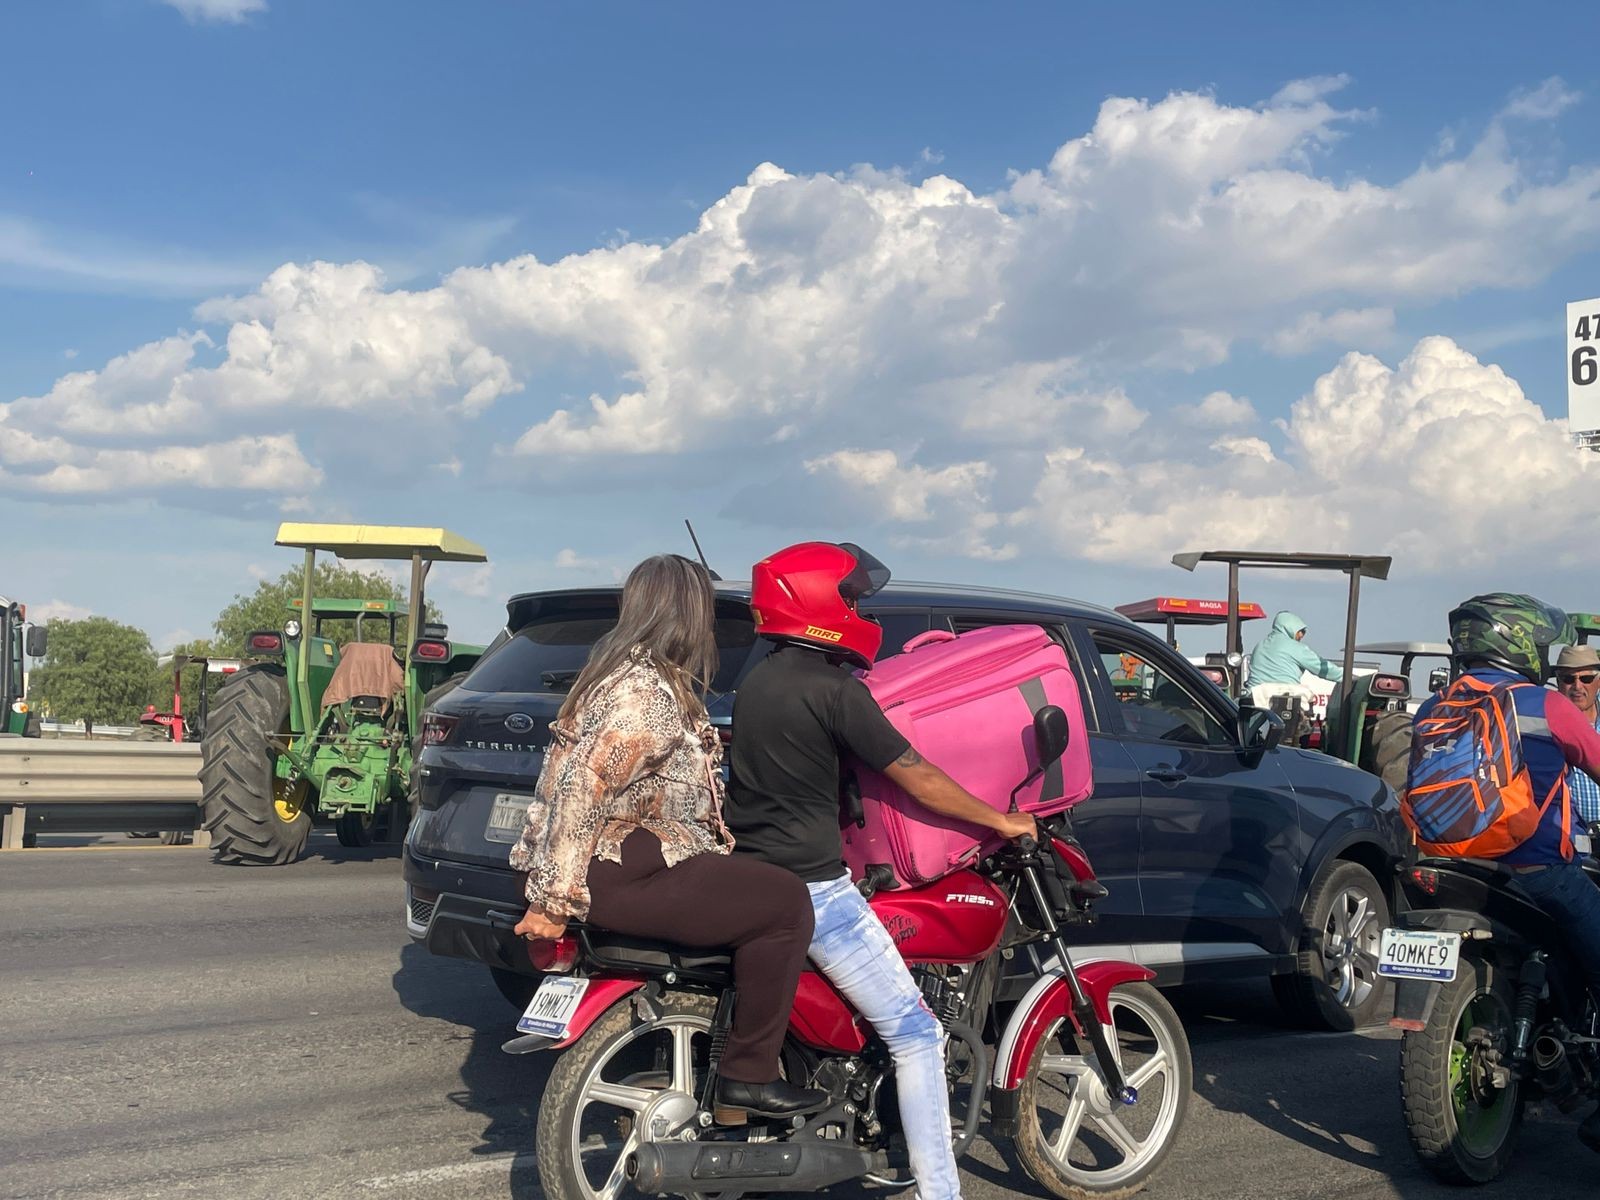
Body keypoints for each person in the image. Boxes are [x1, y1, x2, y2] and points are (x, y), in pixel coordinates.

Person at [726, 541, 1037, 1200]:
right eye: (853, 598)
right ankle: (940, 1193)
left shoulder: (757, 682)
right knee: (916, 1032)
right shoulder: (835, 691)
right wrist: (1002, 820)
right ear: (820, 603)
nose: (861, 607)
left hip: (751, 876)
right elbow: (918, 778)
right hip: (814, 890)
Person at [508, 554, 825, 1122]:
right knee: (784, 904)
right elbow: (583, 787)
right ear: (685, 615)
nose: (707, 628)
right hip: (622, 868)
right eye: (703, 613)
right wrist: (552, 901)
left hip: (620, 861)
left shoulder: (618, 676)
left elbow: (561, 784)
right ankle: (747, 1078)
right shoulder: (646, 692)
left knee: (750, 888)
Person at [1420, 594, 1600, 1150]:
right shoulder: (1545, 705)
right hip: (1537, 869)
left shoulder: (1435, 707)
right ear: (1519, 642)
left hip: (1446, 867)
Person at [1554, 644, 1600, 837]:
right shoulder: (1546, 726)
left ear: (1599, 681)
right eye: (1569, 679)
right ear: (1558, 682)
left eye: (1586, 678)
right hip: (1567, 839)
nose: (1577, 686)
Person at [1245, 610, 1343, 689]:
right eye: (1300, 631)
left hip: (1253, 698)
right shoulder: (1295, 647)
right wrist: (1348, 677)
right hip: (1281, 701)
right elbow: (1322, 668)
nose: (1301, 635)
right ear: (1290, 627)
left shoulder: (1260, 645)